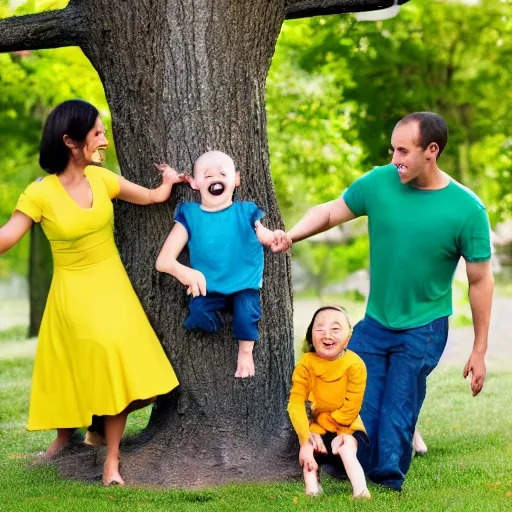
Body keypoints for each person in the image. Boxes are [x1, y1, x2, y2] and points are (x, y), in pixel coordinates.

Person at [273, 112, 493, 491]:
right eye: (393, 149)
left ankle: (387, 480)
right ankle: (347, 465)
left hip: (423, 327)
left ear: (432, 151)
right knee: (357, 404)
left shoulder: (467, 210)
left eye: (404, 151)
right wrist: (292, 235)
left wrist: (479, 350)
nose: (395, 159)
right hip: (375, 324)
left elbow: (480, 282)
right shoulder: (379, 183)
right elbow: (329, 211)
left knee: (396, 413)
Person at [0, 99, 183, 486]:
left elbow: (151, 197)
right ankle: (64, 441)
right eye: (97, 133)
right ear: (70, 141)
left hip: (112, 287)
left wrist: (168, 183)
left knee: (114, 362)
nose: (103, 141)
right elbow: (8, 237)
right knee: (73, 366)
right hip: (71, 292)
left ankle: (111, 459)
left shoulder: (103, 180)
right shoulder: (39, 193)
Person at [155, 150, 275, 378]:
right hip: (207, 286)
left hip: (243, 282)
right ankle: (216, 322)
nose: (215, 178)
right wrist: (183, 271)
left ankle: (245, 353)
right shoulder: (190, 215)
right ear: (194, 183)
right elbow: (163, 261)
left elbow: (261, 231)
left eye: (222, 173)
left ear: (236, 179)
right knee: (197, 315)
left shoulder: (245, 211)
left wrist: (270, 236)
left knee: (246, 314)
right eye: (207, 176)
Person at [288, 306, 370, 499]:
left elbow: (351, 408)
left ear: (348, 337)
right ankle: (313, 490)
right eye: (320, 329)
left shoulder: (355, 364)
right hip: (319, 428)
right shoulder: (306, 363)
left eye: (335, 329)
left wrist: (337, 430)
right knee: (308, 449)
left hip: (348, 427)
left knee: (346, 447)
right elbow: (296, 402)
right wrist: (305, 436)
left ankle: (360, 490)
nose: (327, 334)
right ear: (311, 336)